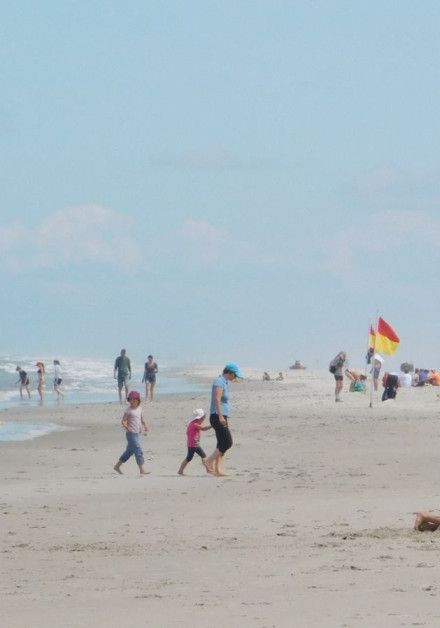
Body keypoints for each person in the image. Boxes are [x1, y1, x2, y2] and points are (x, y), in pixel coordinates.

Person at [205, 362, 242, 477]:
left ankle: (218, 470)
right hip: (217, 415)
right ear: (229, 373)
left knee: (221, 443)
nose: (235, 378)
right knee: (227, 442)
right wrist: (220, 416)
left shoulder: (224, 382)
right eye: (235, 375)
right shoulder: (219, 381)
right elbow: (216, 399)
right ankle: (208, 461)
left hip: (221, 416)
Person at [113, 390, 149, 475]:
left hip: (137, 433)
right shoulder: (128, 410)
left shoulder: (140, 409)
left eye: (134, 400)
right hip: (130, 434)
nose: (132, 401)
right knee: (138, 449)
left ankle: (117, 466)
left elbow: (142, 419)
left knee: (129, 452)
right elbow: (123, 421)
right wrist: (127, 427)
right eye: (130, 400)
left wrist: (145, 425)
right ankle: (142, 469)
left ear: (138, 400)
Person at [177, 409, 212, 475]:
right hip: (195, 445)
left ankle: (180, 470)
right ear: (199, 418)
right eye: (203, 418)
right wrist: (212, 425)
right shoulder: (195, 424)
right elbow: (203, 428)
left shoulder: (191, 423)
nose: (203, 420)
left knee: (188, 458)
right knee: (203, 456)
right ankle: (208, 469)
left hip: (190, 444)